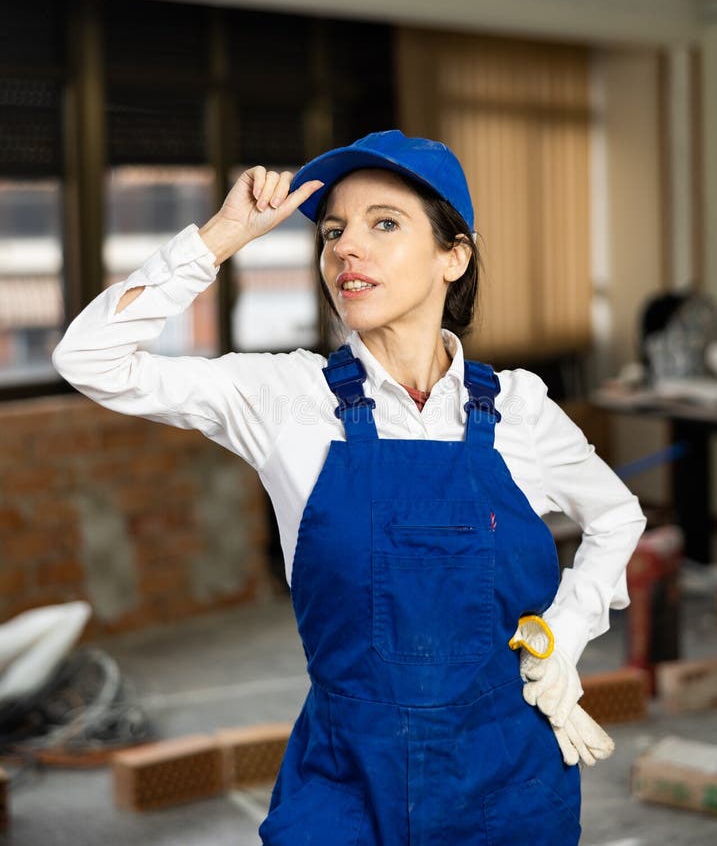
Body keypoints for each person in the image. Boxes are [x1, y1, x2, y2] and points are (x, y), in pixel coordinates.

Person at [53, 130, 646, 844]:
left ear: (453, 256)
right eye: (333, 231)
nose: (344, 248)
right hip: (347, 780)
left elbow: (617, 517)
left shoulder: (519, 408)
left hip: (509, 777)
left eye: (384, 224)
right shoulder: (284, 397)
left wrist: (567, 634)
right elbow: (89, 358)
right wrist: (221, 235)